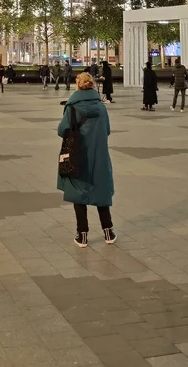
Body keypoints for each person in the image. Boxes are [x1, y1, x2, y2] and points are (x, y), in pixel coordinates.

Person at [57, 72, 116, 248]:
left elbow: (62, 130)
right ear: (92, 85)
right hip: (99, 154)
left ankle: (82, 234)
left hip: (78, 154)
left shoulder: (71, 107)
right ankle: (108, 231)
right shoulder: (101, 107)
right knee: (101, 190)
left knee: (78, 191)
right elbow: (106, 130)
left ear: (78, 84)